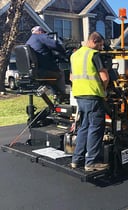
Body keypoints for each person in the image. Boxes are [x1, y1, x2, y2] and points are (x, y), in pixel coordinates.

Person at [70, 32, 110, 172]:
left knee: (84, 127)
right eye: (100, 45)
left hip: (79, 96)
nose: (100, 48)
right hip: (93, 95)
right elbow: (104, 77)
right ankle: (92, 162)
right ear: (93, 41)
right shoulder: (94, 55)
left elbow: (71, 76)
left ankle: (77, 159)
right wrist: (104, 91)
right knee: (96, 128)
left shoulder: (74, 55)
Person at [25, 26, 66, 96]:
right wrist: (64, 49)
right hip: (44, 70)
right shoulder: (40, 36)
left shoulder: (28, 42)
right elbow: (55, 44)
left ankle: (53, 92)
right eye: (44, 32)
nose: (45, 34)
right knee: (60, 74)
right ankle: (62, 96)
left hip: (33, 71)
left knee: (52, 77)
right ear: (40, 31)